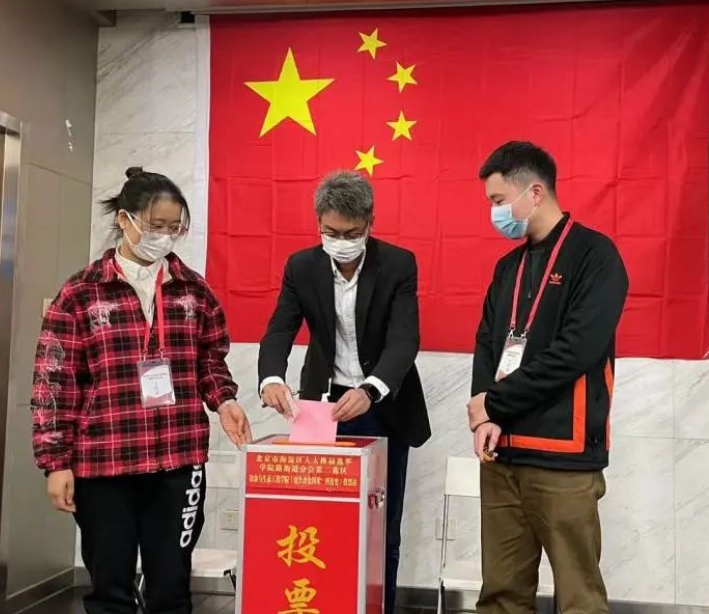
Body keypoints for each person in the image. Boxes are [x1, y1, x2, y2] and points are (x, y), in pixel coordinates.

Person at [31, 167, 251, 614]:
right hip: (105, 461)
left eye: (174, 228)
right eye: (155, 226)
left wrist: (224, 400)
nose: (164, 237)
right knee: (110, 588)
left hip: (178, 459)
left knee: (171, 588)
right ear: (125, 220)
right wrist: (56, 463)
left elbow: (210, 359)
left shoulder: (194, 291)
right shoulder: (81, 293)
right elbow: (54, 382)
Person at [466, 141, 629, 614]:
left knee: (579, 597)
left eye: (499, 201)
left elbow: (576, 351)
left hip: (564, 460)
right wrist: (483, 414)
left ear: (534, 192)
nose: (495, 213)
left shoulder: (595, 256)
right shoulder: (508, 267)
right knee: (500, 596)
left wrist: (495, 403)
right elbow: (487, 342)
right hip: (502, 456)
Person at [258, 170, 429, 614]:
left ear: (370, 222)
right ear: (318, 223)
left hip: (384, 406)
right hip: (325, 407)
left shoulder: (398, 264)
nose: (341, 242)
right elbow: (280, 328)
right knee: (320, 521)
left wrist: (371, 389)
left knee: (382, 527)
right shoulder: (302, 266)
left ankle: (379, 606)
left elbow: (404, 340)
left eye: (351, 234)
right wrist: (271, 378)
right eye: (331, 232)